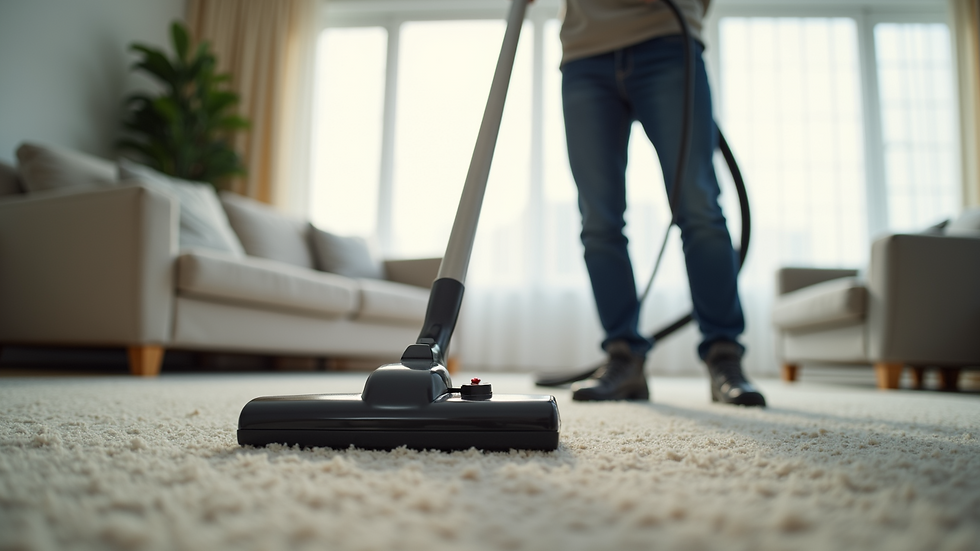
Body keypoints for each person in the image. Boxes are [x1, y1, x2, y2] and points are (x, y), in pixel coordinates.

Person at [558, 0, 766, 406]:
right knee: (598, 220)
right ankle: (624, 358)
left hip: (667, 41)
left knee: (699, 206)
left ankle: (724, 356)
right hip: (585, 54)